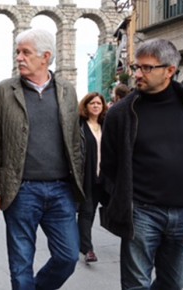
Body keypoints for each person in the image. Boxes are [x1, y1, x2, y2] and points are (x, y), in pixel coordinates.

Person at [101, 39, 183, 290]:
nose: (138, 74)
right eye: (136, 67)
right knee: (136, 284)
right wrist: (121, 200)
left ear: (170, 71)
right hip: (140, 212)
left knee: (173, 282)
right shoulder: (121, 113)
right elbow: (109, 164)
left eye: (146, 68)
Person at [0, 28, 84, 290]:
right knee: (20, 264)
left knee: (68, 256)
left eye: (26, 52)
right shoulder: (5, 90)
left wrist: (81, 186)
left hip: (61, 190)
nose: (19, 58)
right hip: (21, 190)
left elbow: (75, 141)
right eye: (18, 52)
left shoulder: (67, 91)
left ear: (45, 57)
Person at [77, 92, 109, 263]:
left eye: (99, 103)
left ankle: (80, 238)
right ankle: (87, 248)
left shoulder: (106, 125)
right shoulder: (80, 126)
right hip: (86, 176)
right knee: (87, 211)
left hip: (103, 178)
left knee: (92, 210)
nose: (96, 106)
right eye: (92, 103)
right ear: (86, 106)